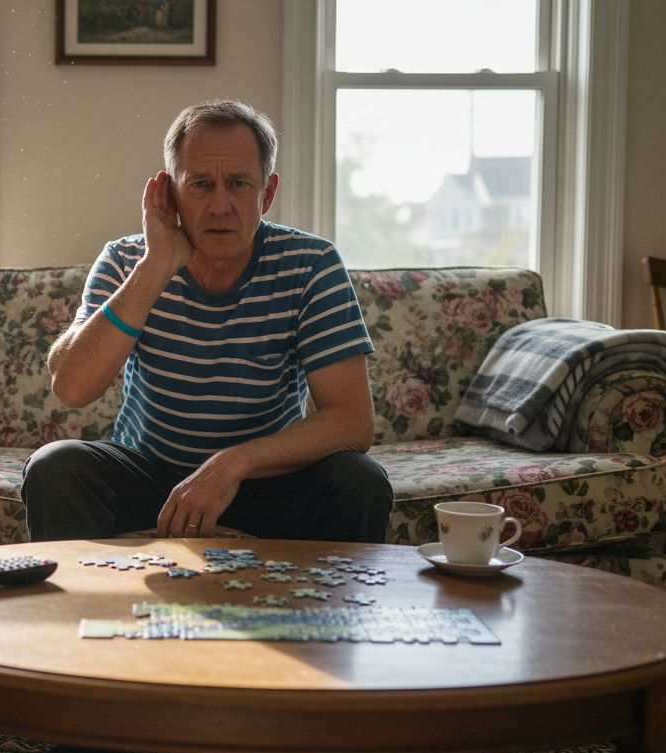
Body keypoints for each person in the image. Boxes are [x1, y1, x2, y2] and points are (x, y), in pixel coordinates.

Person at [22, 99, 392, 548]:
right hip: (150, 475)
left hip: (266, 478)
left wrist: (231, 464)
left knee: (359, 480)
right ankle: (81, 597)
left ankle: (327, 601)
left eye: (238, 184)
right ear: (170, 192)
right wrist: (157, 264)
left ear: (267, 193)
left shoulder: (311, 264)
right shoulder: (126, 260)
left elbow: (352, 421)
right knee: (55, 468)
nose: (220, 205)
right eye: (200, 185)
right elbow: (72, 387)